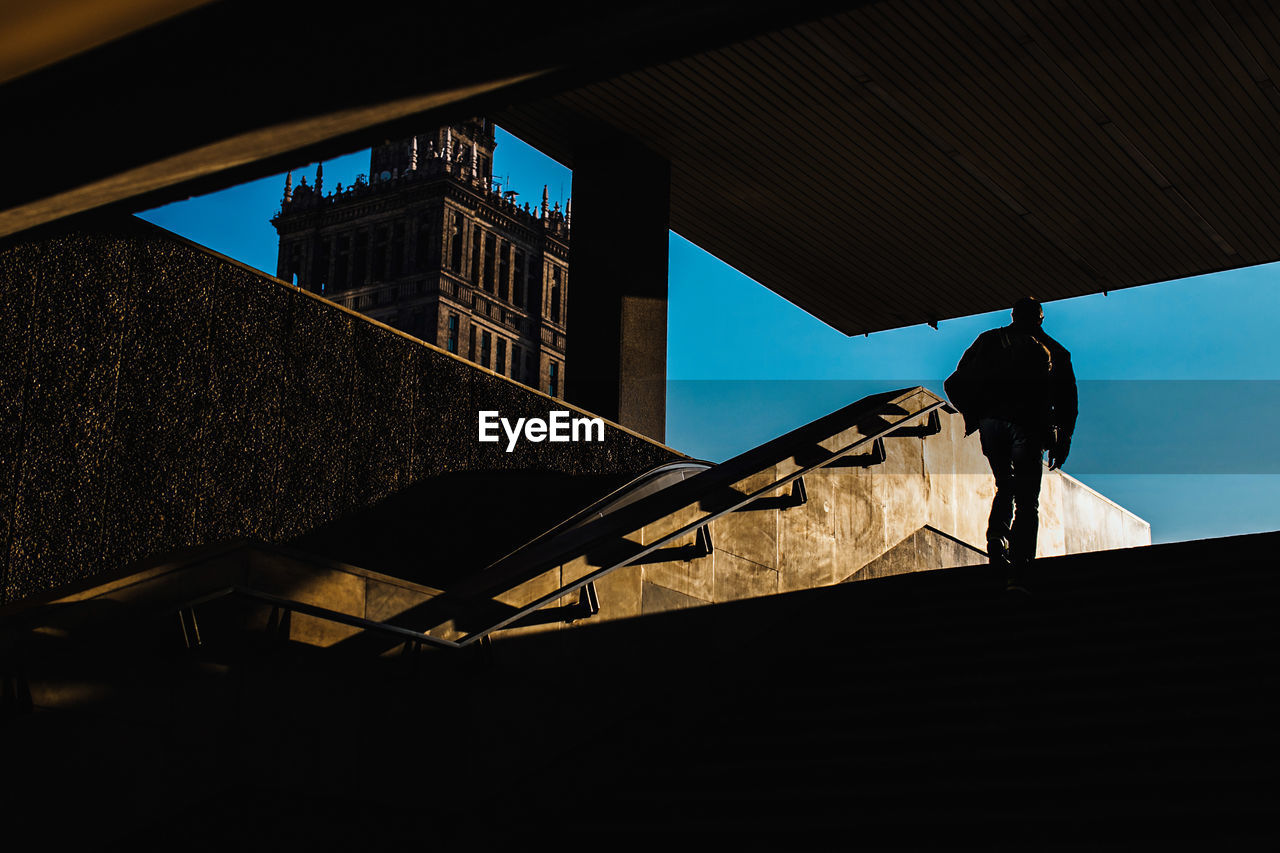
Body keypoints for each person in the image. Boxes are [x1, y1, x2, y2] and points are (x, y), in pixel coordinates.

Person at [945, 297, 1077, 593]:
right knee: (1028, 500)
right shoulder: (1054, 352)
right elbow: (1068, 402)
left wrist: (976, 415)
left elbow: (953, 383)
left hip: (992, 425)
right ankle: (1020, 568)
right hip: (1028, 427)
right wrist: (1063, 438)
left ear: (1013, 315)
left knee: (1005, 485)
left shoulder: (989, 340)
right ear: (1040, 319)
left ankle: (996, 540)